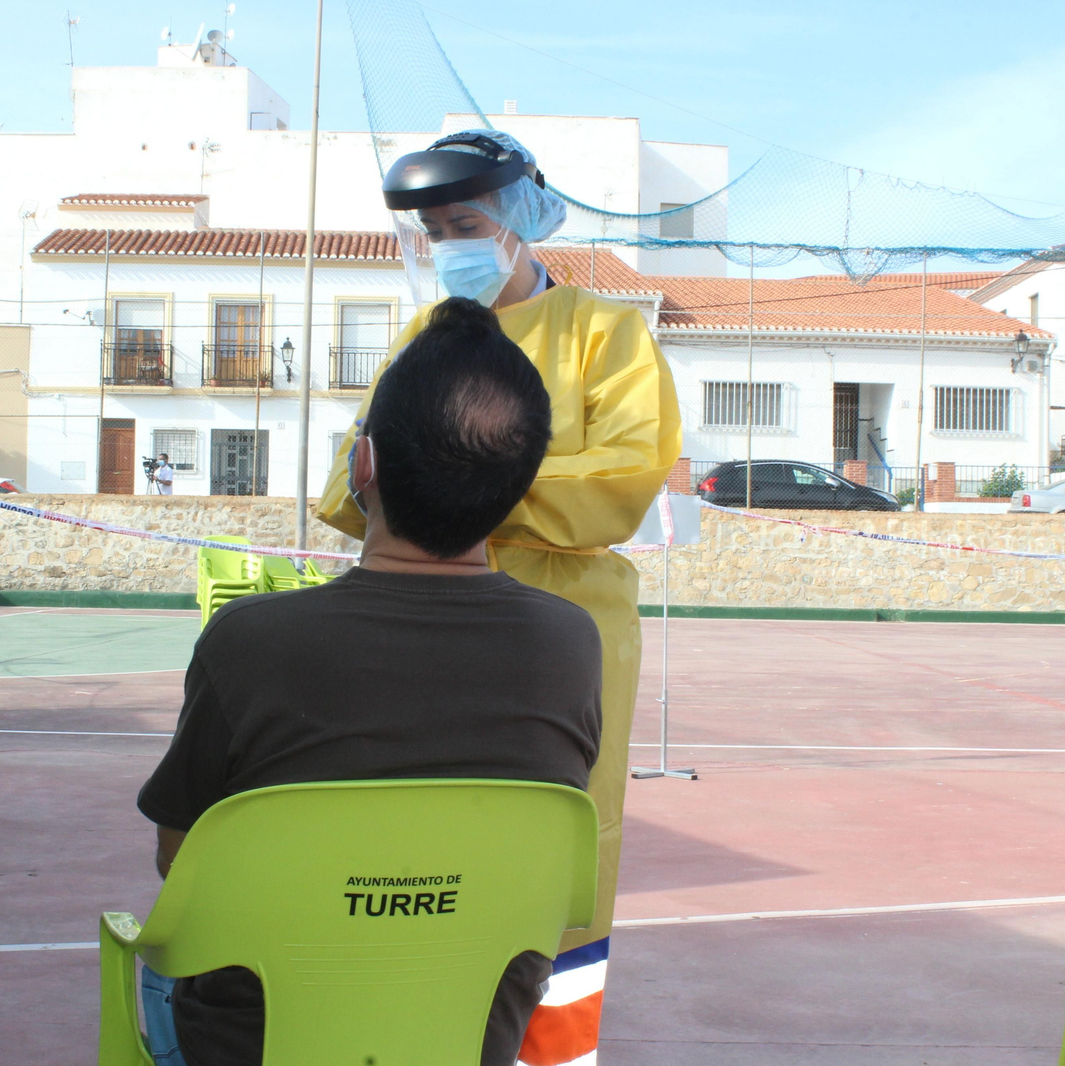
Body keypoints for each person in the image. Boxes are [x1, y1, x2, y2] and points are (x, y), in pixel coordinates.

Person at [138, 298, 603, 1066]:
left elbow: (179, 859)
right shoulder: (570, 644)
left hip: (255, 1044)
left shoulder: (250, 640)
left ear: (364, 466)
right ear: (516, 492)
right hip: (462, 1039)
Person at [319, 128, 681, 1063]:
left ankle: (552, 1052)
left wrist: (451, 487)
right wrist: (484, 482)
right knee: (416, 830)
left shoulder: (607, 333)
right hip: (419, 622)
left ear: (521, 218)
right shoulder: (417, 342)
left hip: (564, 629)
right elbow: (348, 485)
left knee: (556, 838)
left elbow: (627, 478)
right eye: (435, 231)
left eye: (467, 221)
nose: (451, 245)